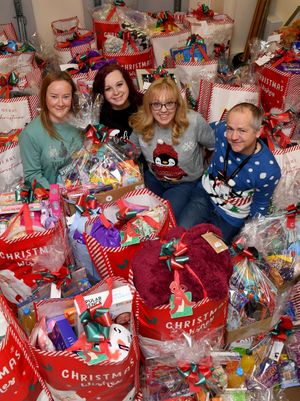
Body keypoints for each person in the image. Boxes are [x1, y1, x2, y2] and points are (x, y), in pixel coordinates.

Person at [178, 102, 281, 244]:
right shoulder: (221, 131)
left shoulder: (268, 170)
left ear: (258, 131)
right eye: (230, 128)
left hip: (231, 216)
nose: (233, 136)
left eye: (242, 131)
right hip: (205, 196)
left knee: (208, 253)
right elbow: (200, 131)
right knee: (178, 236)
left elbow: (260, 204)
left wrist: (250, 235)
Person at [129, 77, 215, 221]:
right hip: (153, 179)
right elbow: (130, 154)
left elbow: (213, 146)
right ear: (149, 106)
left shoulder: (194, 122)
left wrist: (207, 172)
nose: (163, 110)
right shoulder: (141, 124)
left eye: (169, 103)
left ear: (177, 104)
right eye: (156, 104)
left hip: (184, 184)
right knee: (137, 215)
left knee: (165, 218)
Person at [19, 71, 83, 189]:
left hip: (83, 191)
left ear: (72, 98)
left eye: (66, 97)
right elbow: (33, 176)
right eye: (54, 97)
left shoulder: (80, 123)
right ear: (44, 97)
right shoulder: (30, 134)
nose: (60, 103)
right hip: (52, 200)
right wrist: (57, 195)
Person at [92, 63, 143, 142]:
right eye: (108, 89)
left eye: (119, 84)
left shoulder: (144, 102)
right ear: (101, 93)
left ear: (127, 83)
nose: (116, 92)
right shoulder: (98, 117)